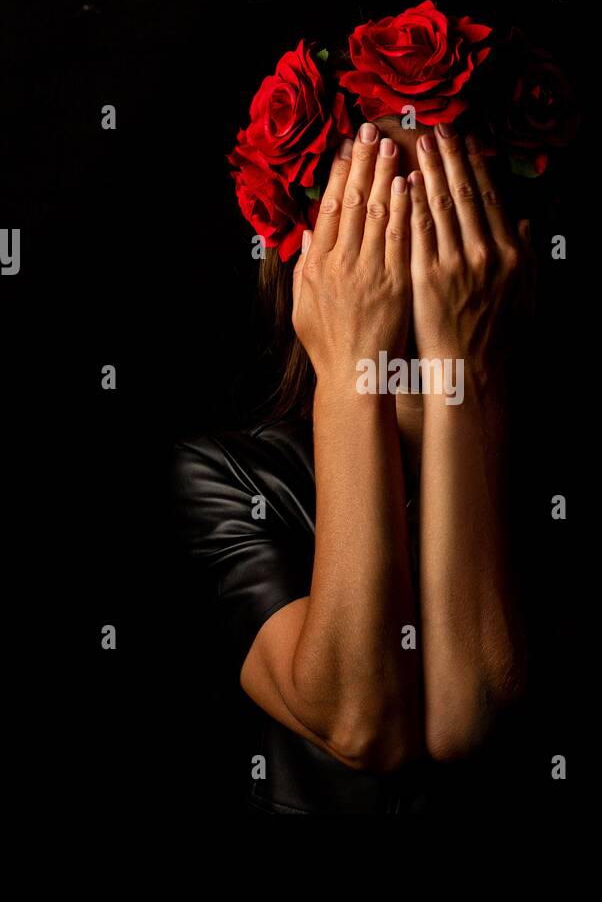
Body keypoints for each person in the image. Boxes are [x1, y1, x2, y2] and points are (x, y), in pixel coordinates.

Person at [175, 117, 536, 813]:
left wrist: (461, 371)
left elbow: (473, 713)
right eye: (373, 212)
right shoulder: (225, 474)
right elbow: (359, 724)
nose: (404, 249)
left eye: (438, 205)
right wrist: (349, 370)